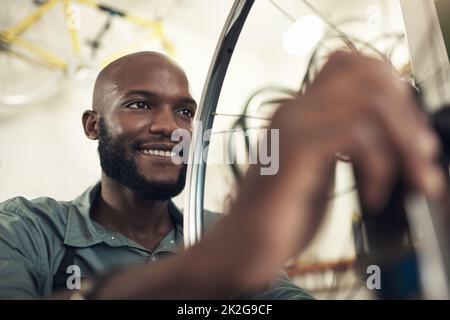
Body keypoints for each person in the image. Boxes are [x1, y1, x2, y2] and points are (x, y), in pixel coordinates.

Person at [0, 50, 445, 300]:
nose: (170, 126)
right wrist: (220, 262)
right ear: (93, 125)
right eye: (139, 104)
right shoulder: (25, 228)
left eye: (185, 111)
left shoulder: (217, 229)